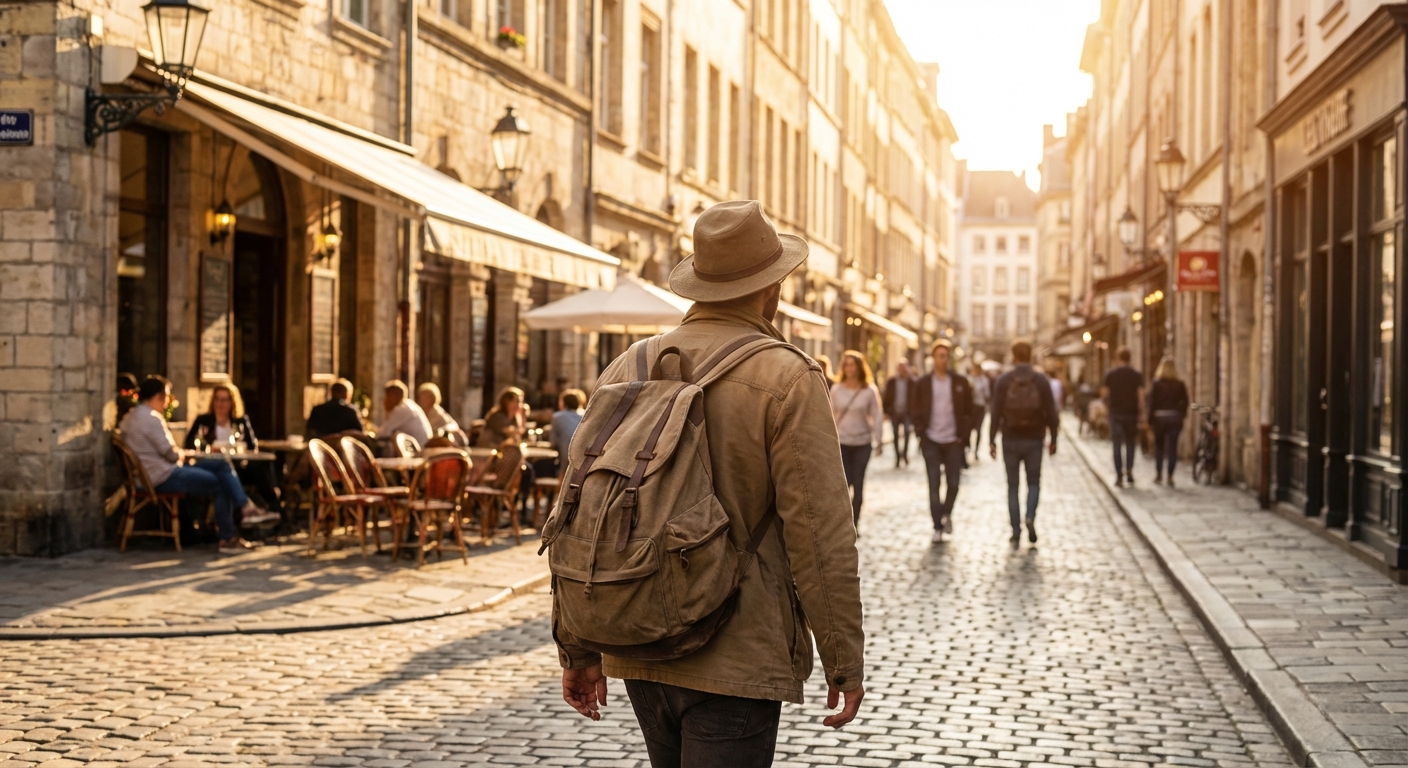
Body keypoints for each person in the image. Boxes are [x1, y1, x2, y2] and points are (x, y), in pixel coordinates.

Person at [556, 200, 864, 766]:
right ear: (773, 288)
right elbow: (820, 534)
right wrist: (843, 657)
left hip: (641, 634)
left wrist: (576, 644)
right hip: (737, 647)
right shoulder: (788, 377)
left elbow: (578, 507)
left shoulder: (631, 364)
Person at [119, 375, 270, 552]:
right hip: (161, 476)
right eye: (166, 397)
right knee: (222, 482)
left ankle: (244, 508)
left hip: (152, 473)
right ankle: (229, 535)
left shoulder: (130, 417)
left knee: (221, 464)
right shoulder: (151, 419)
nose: (167, 402)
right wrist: (183, 454)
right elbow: (171, 454)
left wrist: (184, 454)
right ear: (160, 396)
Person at [989, 342, 1060, 546]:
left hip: (1010, 438)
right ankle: (1029, 515)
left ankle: (1016, 530)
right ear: (1030, 356)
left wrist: (991, 439)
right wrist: (1053, 439)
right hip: (1034, 438)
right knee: (1034, 483)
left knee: (1012, 486)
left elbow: (995, 411)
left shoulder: (1004, 380)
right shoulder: (1040, 380)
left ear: (1013, 356)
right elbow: (1052, 412)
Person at [184, 383, 283, 517]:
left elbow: (252, 446)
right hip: (212, 466)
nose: (221, 403)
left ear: (232, 402)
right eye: (217, 399)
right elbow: (190, 444)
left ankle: (273, 508)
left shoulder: (240, 421)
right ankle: (244, 511)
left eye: (225, 400)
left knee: (261, 468)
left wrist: (239, 447)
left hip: (238, 466)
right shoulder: (204, 421)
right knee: (223, 477)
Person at [911, 340, 973, 543]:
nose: (942, 359)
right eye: (939, 355)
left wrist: (963, 437)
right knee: (934, 484)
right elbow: (916, 409)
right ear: (933, 358)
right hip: (931, 440)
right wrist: (922, 433)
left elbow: (968, 411)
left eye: (945, 355)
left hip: (953, 441)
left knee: (954, 483)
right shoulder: (923, 383)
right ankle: (937, 526)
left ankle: (946, 514)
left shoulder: (959, 382)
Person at [831, 351, 884, 525]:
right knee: (845, 483)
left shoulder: (868, 390)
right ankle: (843, 523)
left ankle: (855, 522)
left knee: (858, 481)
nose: (849, 368)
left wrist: (879, 439)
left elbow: (876, 415)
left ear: (859, 367)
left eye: (852, 364)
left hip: (862, 442)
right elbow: (829, 415)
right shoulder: (836, 389)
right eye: (846, 364)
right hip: (842, 442)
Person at [1102, 347, 1146, 487]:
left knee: (1116, 445)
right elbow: (1140, 396)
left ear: (1118, 358)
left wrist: (1108, 406)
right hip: (1131, 413)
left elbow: (1104, 394)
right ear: (1129, 358)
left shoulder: (1111, 374)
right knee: (1130, 443)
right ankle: (1130, 471)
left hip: (1115, 414)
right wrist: (1142, 412)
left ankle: (1119, 476)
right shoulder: (1136, 375)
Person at [1148, 357, 1190, 486]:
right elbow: (1185, 402)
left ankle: (1159, 474)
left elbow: (1152, 403)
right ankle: (1170, 476)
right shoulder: (1180, 384)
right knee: (1172, 447)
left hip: (1160, 418)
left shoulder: (1156, 383)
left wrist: (1150, 420)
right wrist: (1181, 414)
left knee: (1159, 446)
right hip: (1174, 418)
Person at [882, 360, 916, 467]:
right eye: (901, 367)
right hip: (895, 412)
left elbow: (915, 398)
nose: (902, 369)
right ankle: (897, 457)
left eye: (904, 367)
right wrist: (886, 411)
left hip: (907, 413)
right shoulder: (892, 381)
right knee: (895, 434)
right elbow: (886, 396)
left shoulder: (911, 382)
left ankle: (905, 455)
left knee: (907, 433)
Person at [377, 380, 433, 447]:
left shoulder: (401, 410)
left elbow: (383, 434)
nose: (385, 399)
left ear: (395, 396)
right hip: (421, 445)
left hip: (419, 449)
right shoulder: (409, 404)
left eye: (388, 396)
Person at [549, 389, 586, 468]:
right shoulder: (585, 415)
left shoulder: (557, 417)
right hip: (582, 451)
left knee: (563, 471)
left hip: (565, 452)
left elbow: (553, 440)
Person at [967, 361, 991, 463]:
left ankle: (976, 451)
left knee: (979, 430)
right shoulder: (969, 379)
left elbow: (987, 394)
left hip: (980, 407)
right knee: (968, 429)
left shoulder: (984, 380)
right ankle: (967, 448)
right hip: (971, 408)